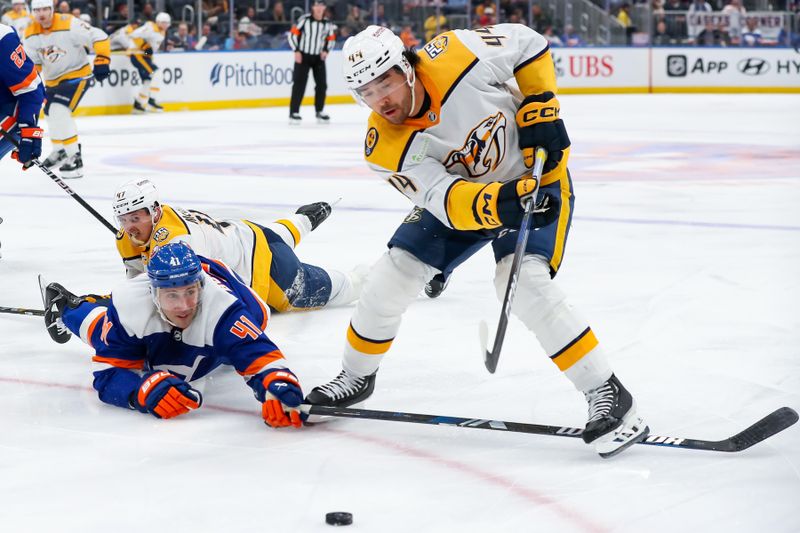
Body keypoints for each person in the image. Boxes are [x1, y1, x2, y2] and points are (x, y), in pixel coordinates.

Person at [305, 25, 649, 458]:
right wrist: (503, 201)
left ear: (406, 69)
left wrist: (541, 102)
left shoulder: (455, 52)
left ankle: (609, 392)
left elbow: (527, 43)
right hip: (470, 200)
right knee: (390, 277)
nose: (381, 100)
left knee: (522, 284)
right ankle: (356, 376)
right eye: (367, 93)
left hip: (536, 178)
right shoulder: (383, 148)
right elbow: (444, 200)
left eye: (385, 83)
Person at [40, 242, 306, 429]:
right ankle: (67, 306)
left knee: (247, 331)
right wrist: (140, 393)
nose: (184, 306)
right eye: (171, 295)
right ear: (153, 292)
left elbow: (260, 356)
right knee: (100, 330)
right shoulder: (132, 303)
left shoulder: (224, 310)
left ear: (201, 287)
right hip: (145, 321)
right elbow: (107, 376)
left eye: (190, 291)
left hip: (226, 293)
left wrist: (276, 384)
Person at [112, 178, 365, 313]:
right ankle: (306, 218)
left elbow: (191, 299)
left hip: (267, 274)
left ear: (154, 212)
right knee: (277, 234)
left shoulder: (177, 243)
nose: (129, 226)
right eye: (123, 220)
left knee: (345, 287)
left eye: (136, 218)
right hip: (248, 233)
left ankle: (369, 279)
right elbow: (137, 284)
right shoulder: (133, 232)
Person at [23, 0, 110, 179]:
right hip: (53, 81)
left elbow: (99, 35)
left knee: (59, 110)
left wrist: (102, 59)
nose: (42, 14)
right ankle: (60, 151)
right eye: (37, 10)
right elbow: (35, 64)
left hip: (77, 75)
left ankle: (74, 156)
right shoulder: (30, 32)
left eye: (45, 9)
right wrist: (32, 84)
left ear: (52, 9)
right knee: (49, 112)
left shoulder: (68, 22)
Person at [287, 0, 336, 125]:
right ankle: (294, 112)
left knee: (322, 85)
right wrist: (296, 51)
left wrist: (326, 51)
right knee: (299, 84)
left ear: (324, 7)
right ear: (313, 7)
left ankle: (319, 111)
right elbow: (292, 35)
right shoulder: (305, 20)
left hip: (318, 58)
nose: (319, 8)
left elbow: (331, 39)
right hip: (303, 56)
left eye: (321, 5)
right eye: (316, 5)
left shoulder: (327, 23)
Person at [119, 12, 171, 113]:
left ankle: (138, 105)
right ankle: (151, 100)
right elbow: (133, 35)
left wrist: (148, 51)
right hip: (138, 55)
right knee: (155, 72)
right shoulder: (150, 27)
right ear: (158, 22)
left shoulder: (162, 31)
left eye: (167, 23)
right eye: (164, 22)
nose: (166, 25)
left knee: (147, 79)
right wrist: (145, 47)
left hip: (145, 57)